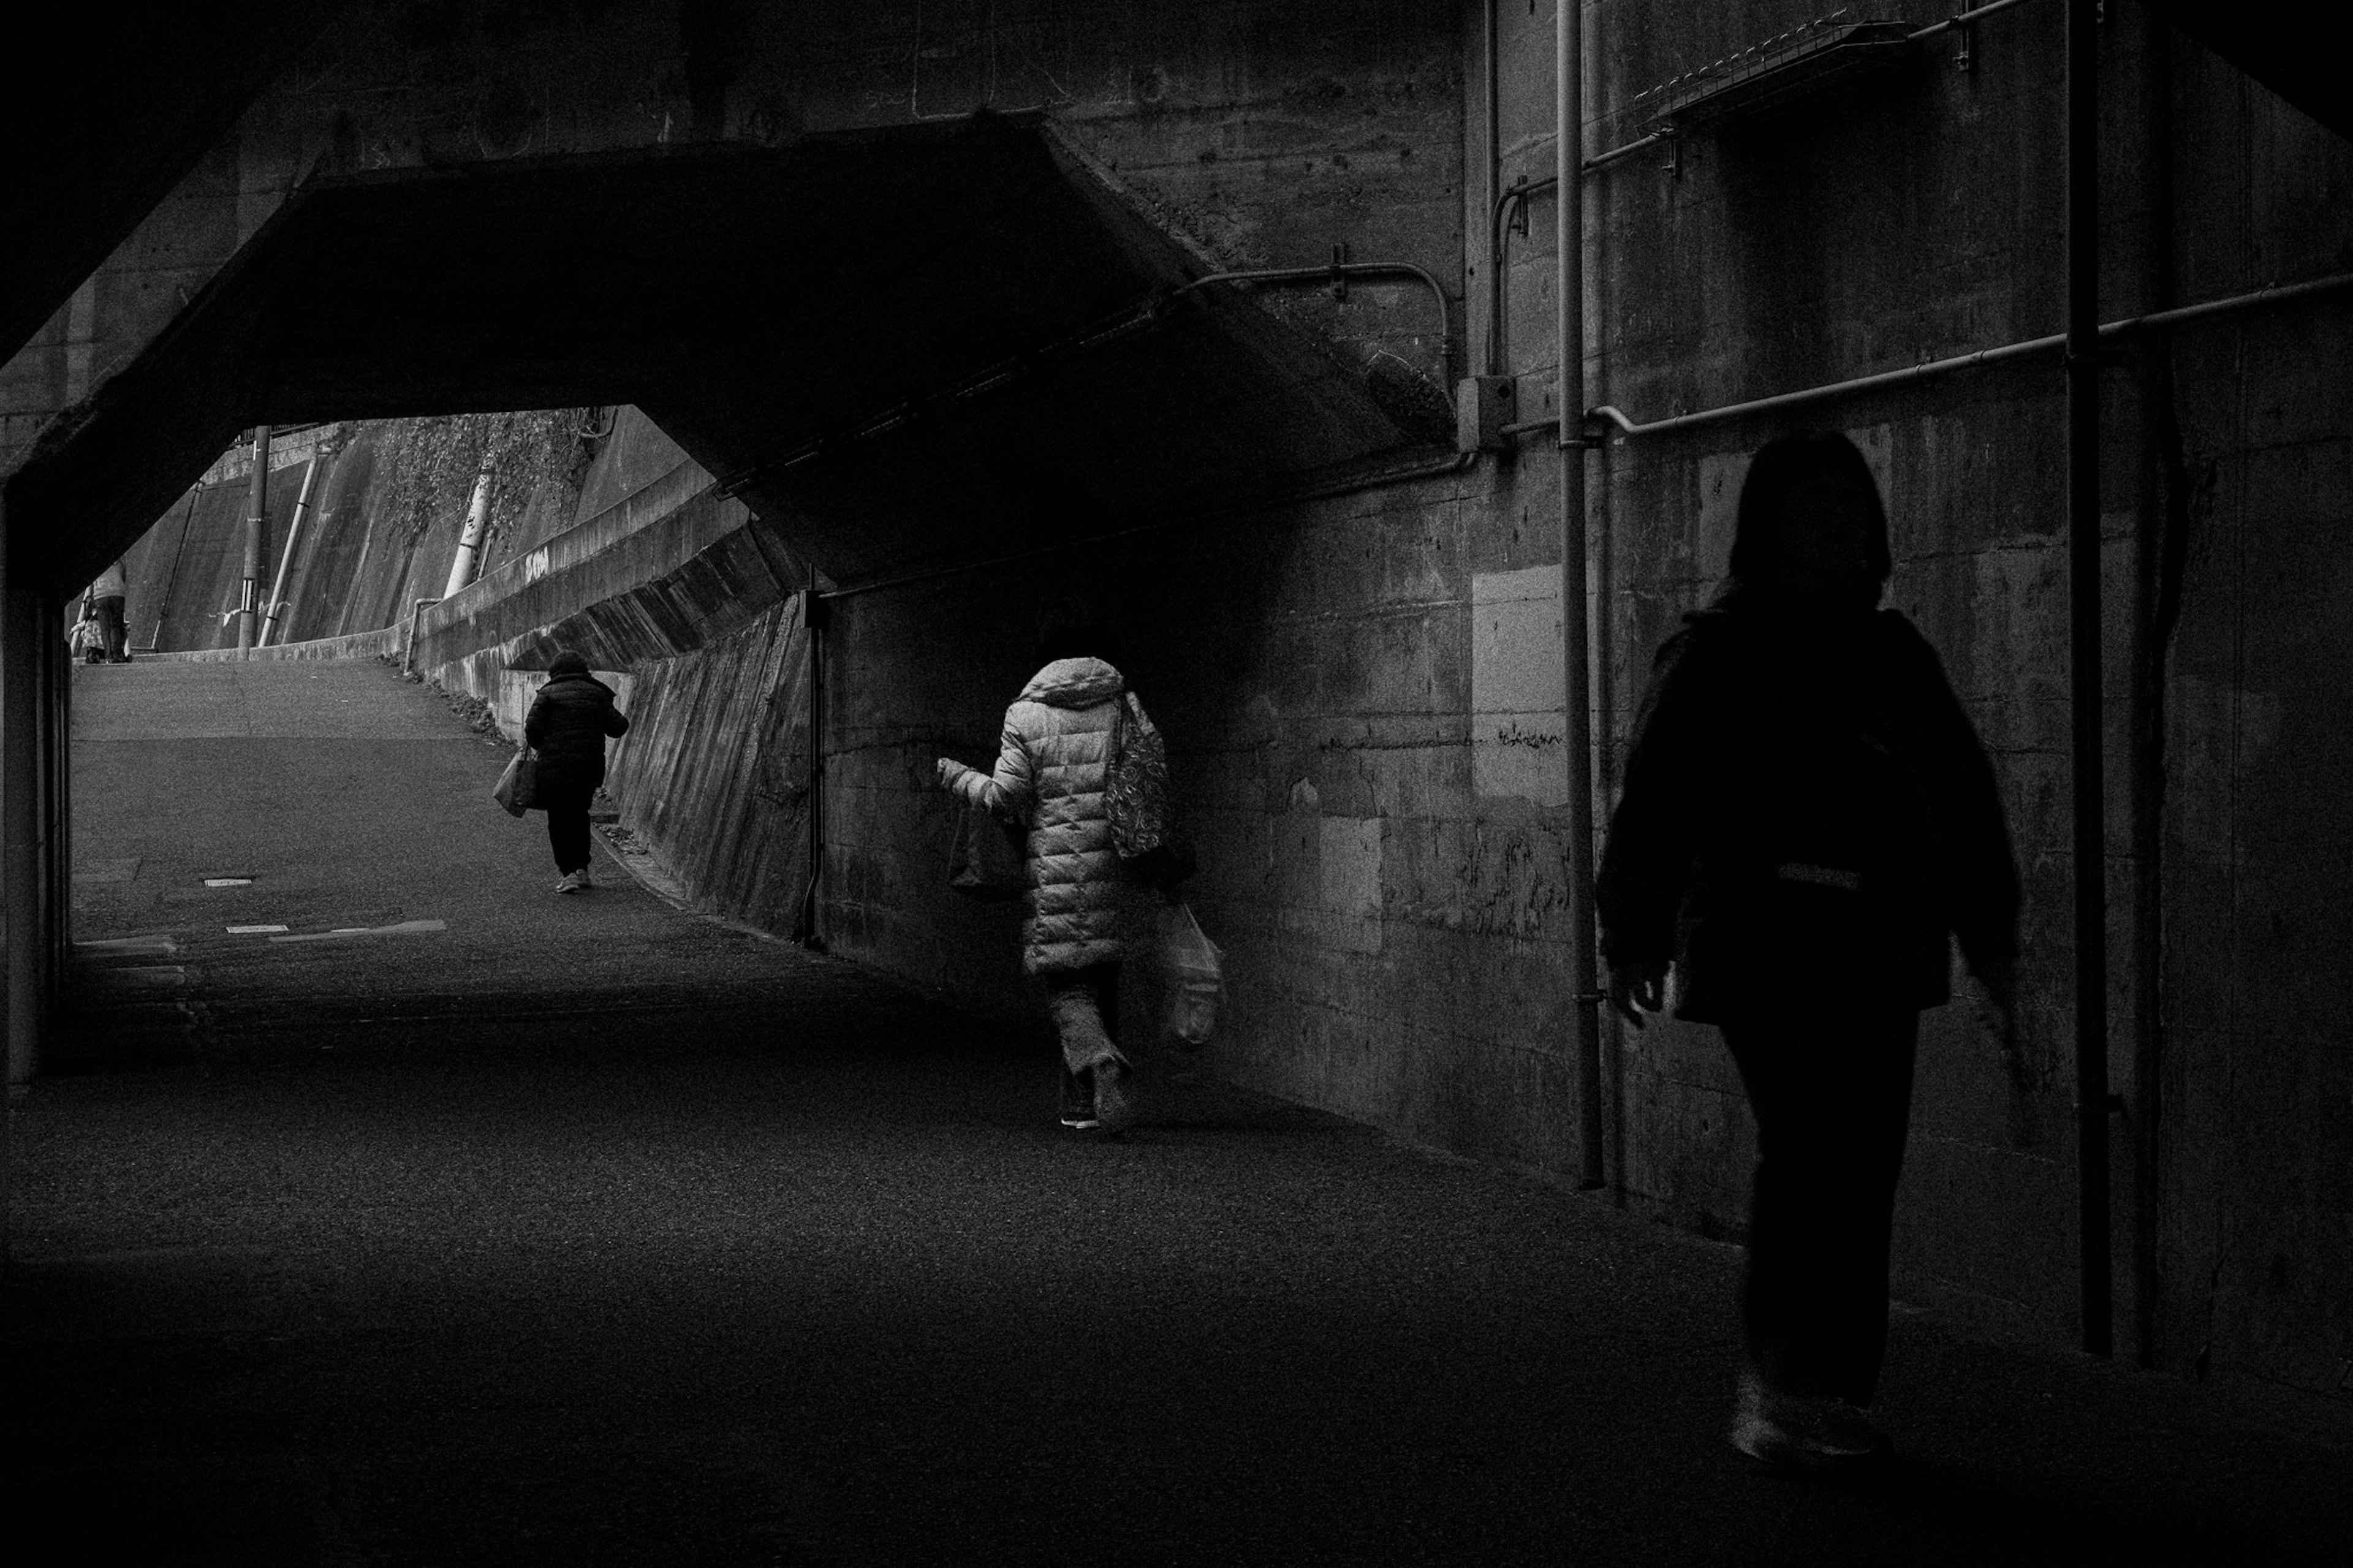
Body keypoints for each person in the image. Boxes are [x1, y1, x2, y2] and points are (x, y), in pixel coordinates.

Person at [1596, 430, 2021, 1474]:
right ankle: (1782, 1380)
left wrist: (1990, 934)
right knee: (1814, 1147)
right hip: (1769, 945)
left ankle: (1823, 1384)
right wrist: (1634, 933)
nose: (1836, 524)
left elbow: (1961, 796)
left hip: (1876, 946)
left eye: (1851, 506)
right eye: (1813, 505)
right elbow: (1657, 797)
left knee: (1859, 1160)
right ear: (1771, 522)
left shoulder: (1891, 655)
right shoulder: (1723, 648)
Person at [936, 601, 1145, 1135]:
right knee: (1102, 980)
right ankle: (1087, 1107)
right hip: (1113, 863)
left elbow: (1006, 798)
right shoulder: (1124, 706)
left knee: (1067, 989)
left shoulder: (1025, 714)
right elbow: (1147, 782)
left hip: (1053, 870)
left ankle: (1098, 1065)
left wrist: (960, 778)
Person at [523, 651, 629, 895]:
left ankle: (568, 873)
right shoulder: (597, 693)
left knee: (559, 819)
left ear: (555, 671)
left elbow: (532, 729)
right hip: (588, 768)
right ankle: (582, 870)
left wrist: (545, 746)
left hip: (555, 767)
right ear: (583, 669)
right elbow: (619, 727)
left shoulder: (548, 694)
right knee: (580, 815)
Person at [87, 558, 129, 663]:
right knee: (116, 626)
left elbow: (91, 582)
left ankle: (109, 656)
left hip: (100, 596)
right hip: (117, 594)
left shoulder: (96, 562)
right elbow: (123, 577)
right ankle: (117, 655)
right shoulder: (121, 562)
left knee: (105, 628)